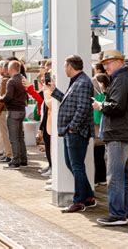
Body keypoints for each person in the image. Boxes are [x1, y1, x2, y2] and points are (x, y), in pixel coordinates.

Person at [93, 50, 128, 226]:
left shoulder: (121, 78)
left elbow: (116, 106)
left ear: (118, 62)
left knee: (115, 176)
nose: (105, 67)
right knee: (127, 175)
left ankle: (117, 214)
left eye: (108, 63)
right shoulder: (127, 77)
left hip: (119, 133)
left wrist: (101, 105)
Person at [51, 55, 96, 213]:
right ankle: (88, 196)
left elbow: (83, 108)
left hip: (76, 132)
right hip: (71, 131)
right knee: (73, 164)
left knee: (76, 166)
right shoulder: (78, 81)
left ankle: (79, 201)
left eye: (65, 66)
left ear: (71, 66)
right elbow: (69, 102)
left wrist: (73, 127)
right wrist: (54, 91)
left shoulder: (83, 82)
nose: (64, 69)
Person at [0, 60, 28, 169]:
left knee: (13, 137)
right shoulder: (23, 79)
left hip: (13, 111)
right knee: (20, 136)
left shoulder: (11, 81)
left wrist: (1, 98)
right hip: (22, 110)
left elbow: (9, 96)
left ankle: (16, 161)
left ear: (11, 69)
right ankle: (23, 159)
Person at [92, 73, 109, 187]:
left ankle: (97, 178)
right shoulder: (107, 94)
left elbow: (96, 116)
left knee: (95, 154)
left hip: (97, 128)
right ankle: (102, 177)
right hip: (104, 130)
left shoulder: (97, 97)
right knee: (101, 155)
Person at [0, 61, 13, 164]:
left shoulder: (5, 80)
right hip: (10, 109)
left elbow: (2, 97)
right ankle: (8, 153)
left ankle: (8, 154)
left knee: (5, 134)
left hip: (4, 110)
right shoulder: (14, 79)